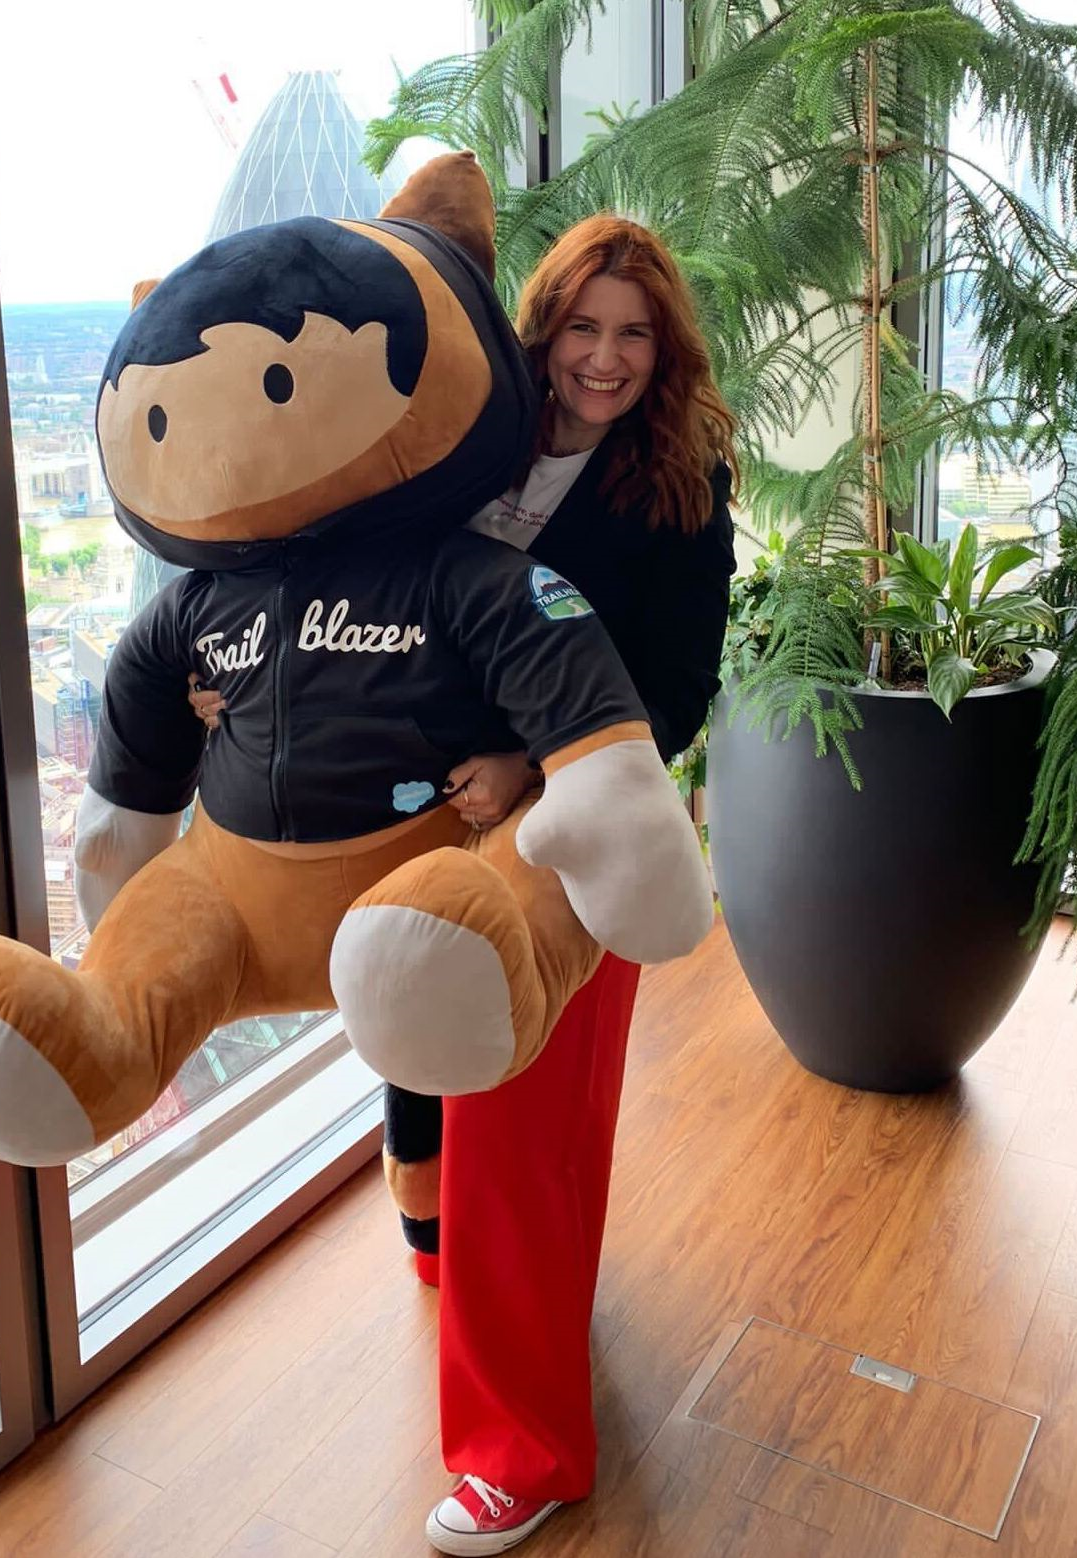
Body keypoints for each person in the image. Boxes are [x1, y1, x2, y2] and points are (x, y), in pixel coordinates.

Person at [191, 213, 737, 1556]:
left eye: (633, 334)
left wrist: (528, 765)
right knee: (432, 1073)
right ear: (537, 331)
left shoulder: (677, 480)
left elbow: (675, 689)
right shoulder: (462, 442)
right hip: (417, 815)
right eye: (582, 327)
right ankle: (462, 1266)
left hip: (564, 831)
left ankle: (521, 1453)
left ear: (662, 350)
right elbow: (336, 558)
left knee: (526, 1134)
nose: (604, 358)